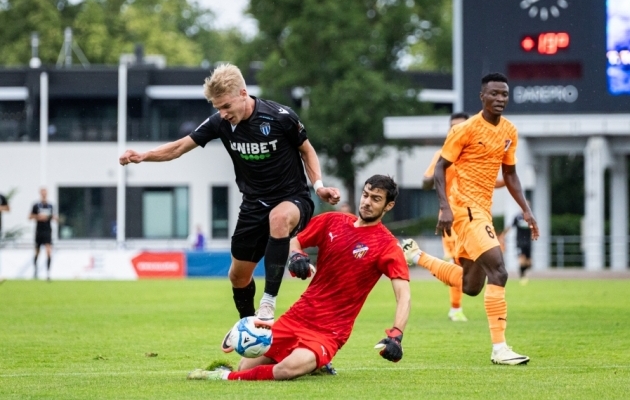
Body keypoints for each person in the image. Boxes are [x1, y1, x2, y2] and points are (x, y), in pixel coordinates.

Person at [119, 63, 341, 328]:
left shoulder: (281, 117)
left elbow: (307, 150)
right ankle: (248, 328)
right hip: (252, 206)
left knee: (279, 218)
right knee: (237, 276)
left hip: (293, 198)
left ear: (243, 94)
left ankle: (268, 302)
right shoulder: (220, 123)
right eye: (217, 108)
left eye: (226, 106)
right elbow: (179, 147)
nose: (222, 114)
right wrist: (144, 156)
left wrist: (318, 187)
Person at [187, 175, 411, 381]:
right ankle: (315, 365)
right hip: (298, 316)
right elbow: (295, 240)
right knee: (245, 366)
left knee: (287, 370)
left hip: (329, 331)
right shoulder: (333, 221)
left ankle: (221, 377)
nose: (367, 202)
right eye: (365, 195)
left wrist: (396, 335)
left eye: (376, 199)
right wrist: (296, 256)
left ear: (388, 206)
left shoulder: (388, 246)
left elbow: (404, 296)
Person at [403, 73, 539, 366]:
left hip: (482, 210)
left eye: (504, 94)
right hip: (464, 209)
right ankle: (500, 349)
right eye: (494, 94)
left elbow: (511, 174)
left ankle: (417, 256)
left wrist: (526, 209)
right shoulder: (464, 130)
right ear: (482, 97)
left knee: (471, 285)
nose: (500, 99)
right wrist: (445, 207)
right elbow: (439, 169)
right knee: (499, 271)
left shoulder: (510, 131)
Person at [422, 112, 508, 322]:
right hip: (452, 217)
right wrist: (440, 169)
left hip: (477, 217)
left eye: (460, 126)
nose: (456, 130)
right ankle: (455, 309)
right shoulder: (442, 154)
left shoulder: (476, 153)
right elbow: (425, 183)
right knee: (458, 263)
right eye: (453, 127)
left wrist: (509, 177)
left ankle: (421, 259)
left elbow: (492, 181)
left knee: (479, 271)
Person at [29, 188, 58, 281]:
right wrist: (38, 217)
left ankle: (48, 273)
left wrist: (51, 217)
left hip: (47, 231)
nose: (44, 195)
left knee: (48, 251)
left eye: (45, 193)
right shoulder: (36, 205)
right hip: (39, 231)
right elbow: (30, 216)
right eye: (42, 193)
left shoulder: (50, 206)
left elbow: (54, 216)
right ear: (40, 194)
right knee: (37, 252)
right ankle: (35, 271)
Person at [502, 205, 532, 285]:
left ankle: (523, 272)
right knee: (521, 259)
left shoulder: (531, 217)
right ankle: (522, 276)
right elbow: (510, 226)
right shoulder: (517, 217)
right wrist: (503, 235)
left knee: (529, 263)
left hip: (528, 242)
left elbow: (534, 228)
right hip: (520, 242)